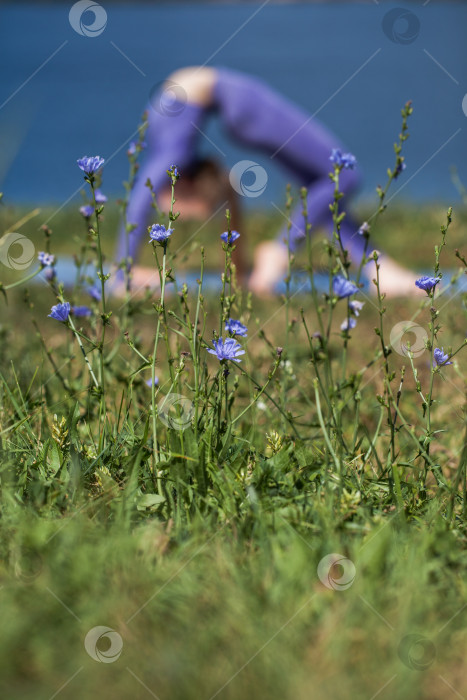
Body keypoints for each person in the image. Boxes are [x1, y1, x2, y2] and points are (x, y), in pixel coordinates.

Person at [115, 66, 416, 297]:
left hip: (224, 99)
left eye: (178, 208)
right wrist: (123, 277)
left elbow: (143, 194)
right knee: (341, 175)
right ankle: (286, 252)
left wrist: (122, 273)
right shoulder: (180, 138)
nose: (174, 214)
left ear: (187, 186)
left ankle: (377, 267)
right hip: (232, 100)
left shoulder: (175, 148)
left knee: (330, 181)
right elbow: (150, 192)